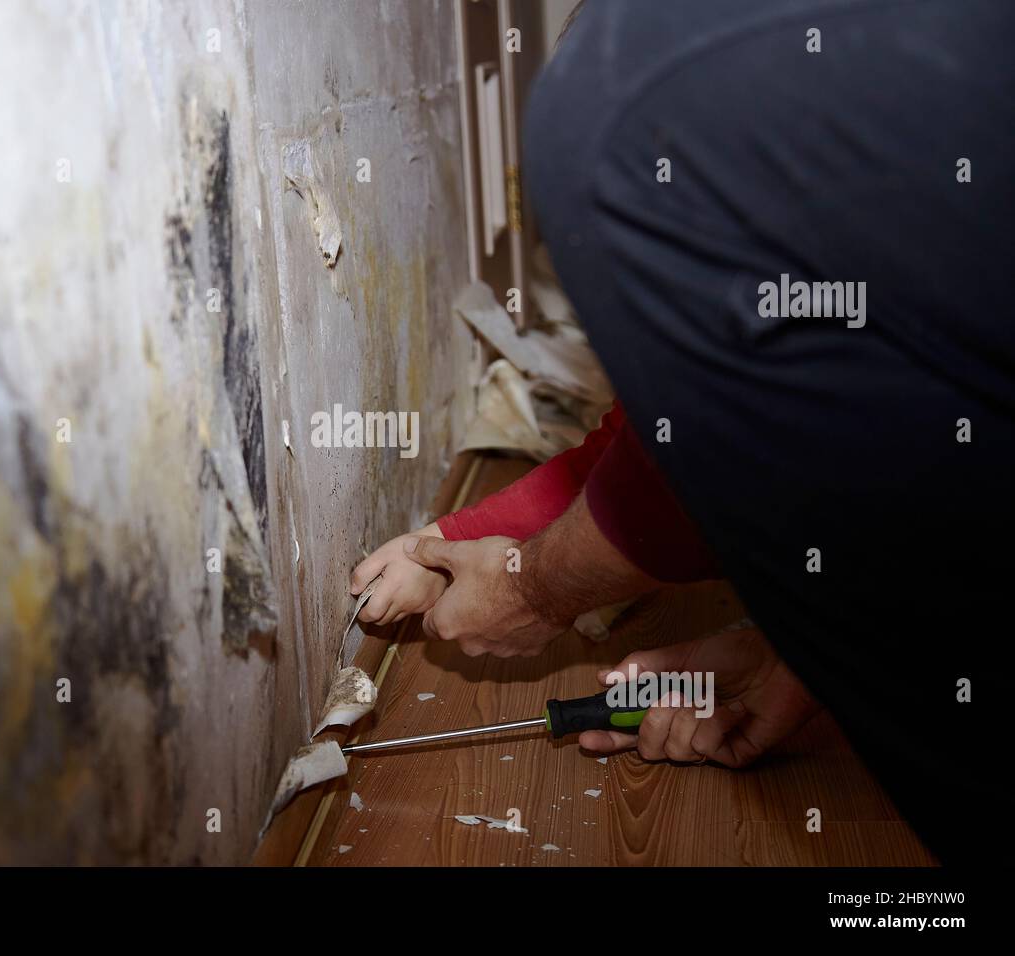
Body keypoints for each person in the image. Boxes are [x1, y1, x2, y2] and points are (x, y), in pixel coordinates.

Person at [351, 0, 1009, 865]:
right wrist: (451, 537)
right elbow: (680, 440)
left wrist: (529, 590)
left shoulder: (640, 101)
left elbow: (711, 460)